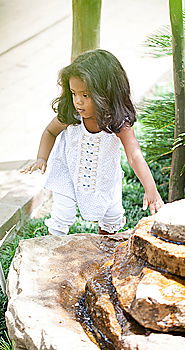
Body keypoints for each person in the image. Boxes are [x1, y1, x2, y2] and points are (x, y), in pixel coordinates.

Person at [21, 49, 164, 236]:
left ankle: (106, 249)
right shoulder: (71, 115)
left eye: (86, 95)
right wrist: (42, 158)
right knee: (61, 215)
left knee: (111, 215)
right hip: (67, 171)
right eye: (73, 93)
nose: (78, 102)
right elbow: (50, 131)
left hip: (104, 175)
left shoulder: (118, 122)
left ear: (107, 94)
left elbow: (134, 155)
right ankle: (53, 250)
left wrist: (150, 189)